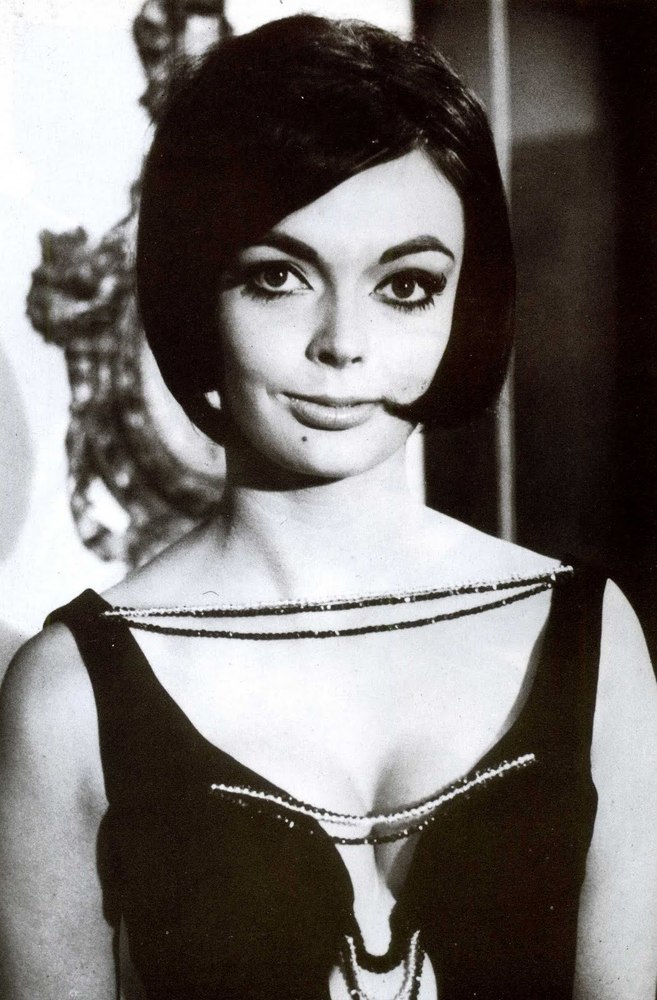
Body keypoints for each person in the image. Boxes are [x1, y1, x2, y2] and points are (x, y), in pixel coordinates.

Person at [1, 15, 656, 1000]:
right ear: (197, 289)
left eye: (406, 286)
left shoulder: (591, 640)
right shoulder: (65, 697)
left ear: (464, 302)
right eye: (279, 277)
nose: (343, 343)